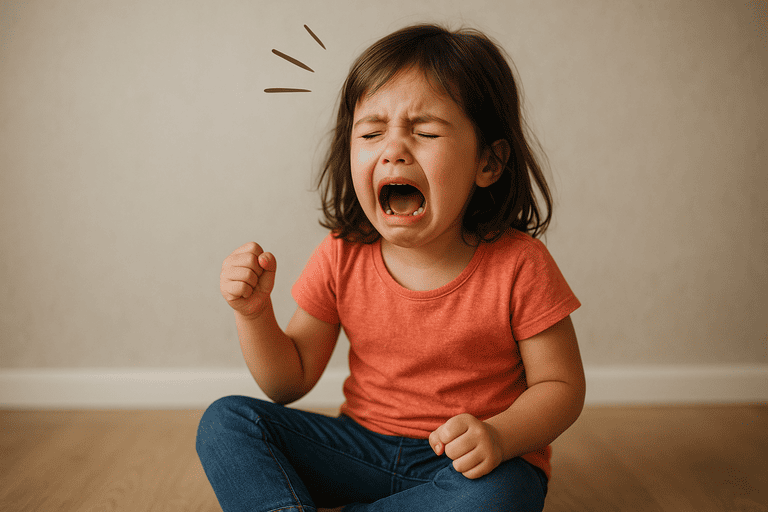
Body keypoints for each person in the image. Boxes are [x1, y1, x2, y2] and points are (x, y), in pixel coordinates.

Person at [197, 23, 585, 512]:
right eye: (371, 133)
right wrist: (254, 314)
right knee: (227, 422)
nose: (394, 150)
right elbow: (287, 382)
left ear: (488, 163)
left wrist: (500, 436)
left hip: (464, 466)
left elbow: (561, 387)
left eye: (425, 132)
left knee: (503, 493)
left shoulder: (520, 264)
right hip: (359, 450)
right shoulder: (341, 254)